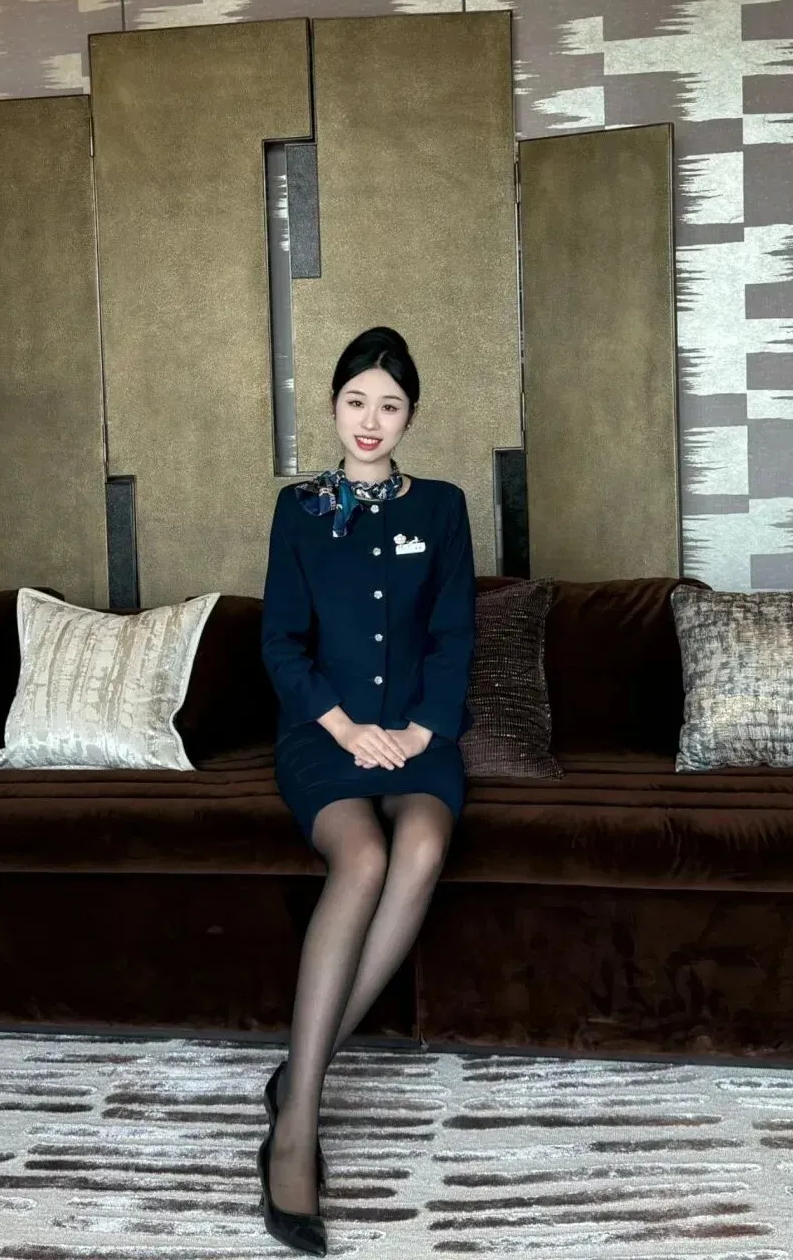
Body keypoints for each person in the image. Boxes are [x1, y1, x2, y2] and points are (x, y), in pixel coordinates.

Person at [257, 325, 476, 1255]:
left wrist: (421, 731)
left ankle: (295, 1076)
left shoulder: (445, 506)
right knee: (364, 856)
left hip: (420, 736)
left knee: (421, 845)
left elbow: (455, 633)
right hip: (326, 734)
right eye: (356, 401)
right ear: (334, 408)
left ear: (411, 415)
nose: (371, 420)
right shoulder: (300, 510)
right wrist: (347, 728)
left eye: (390, 404)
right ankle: (296, 1129)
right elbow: (280, 642)